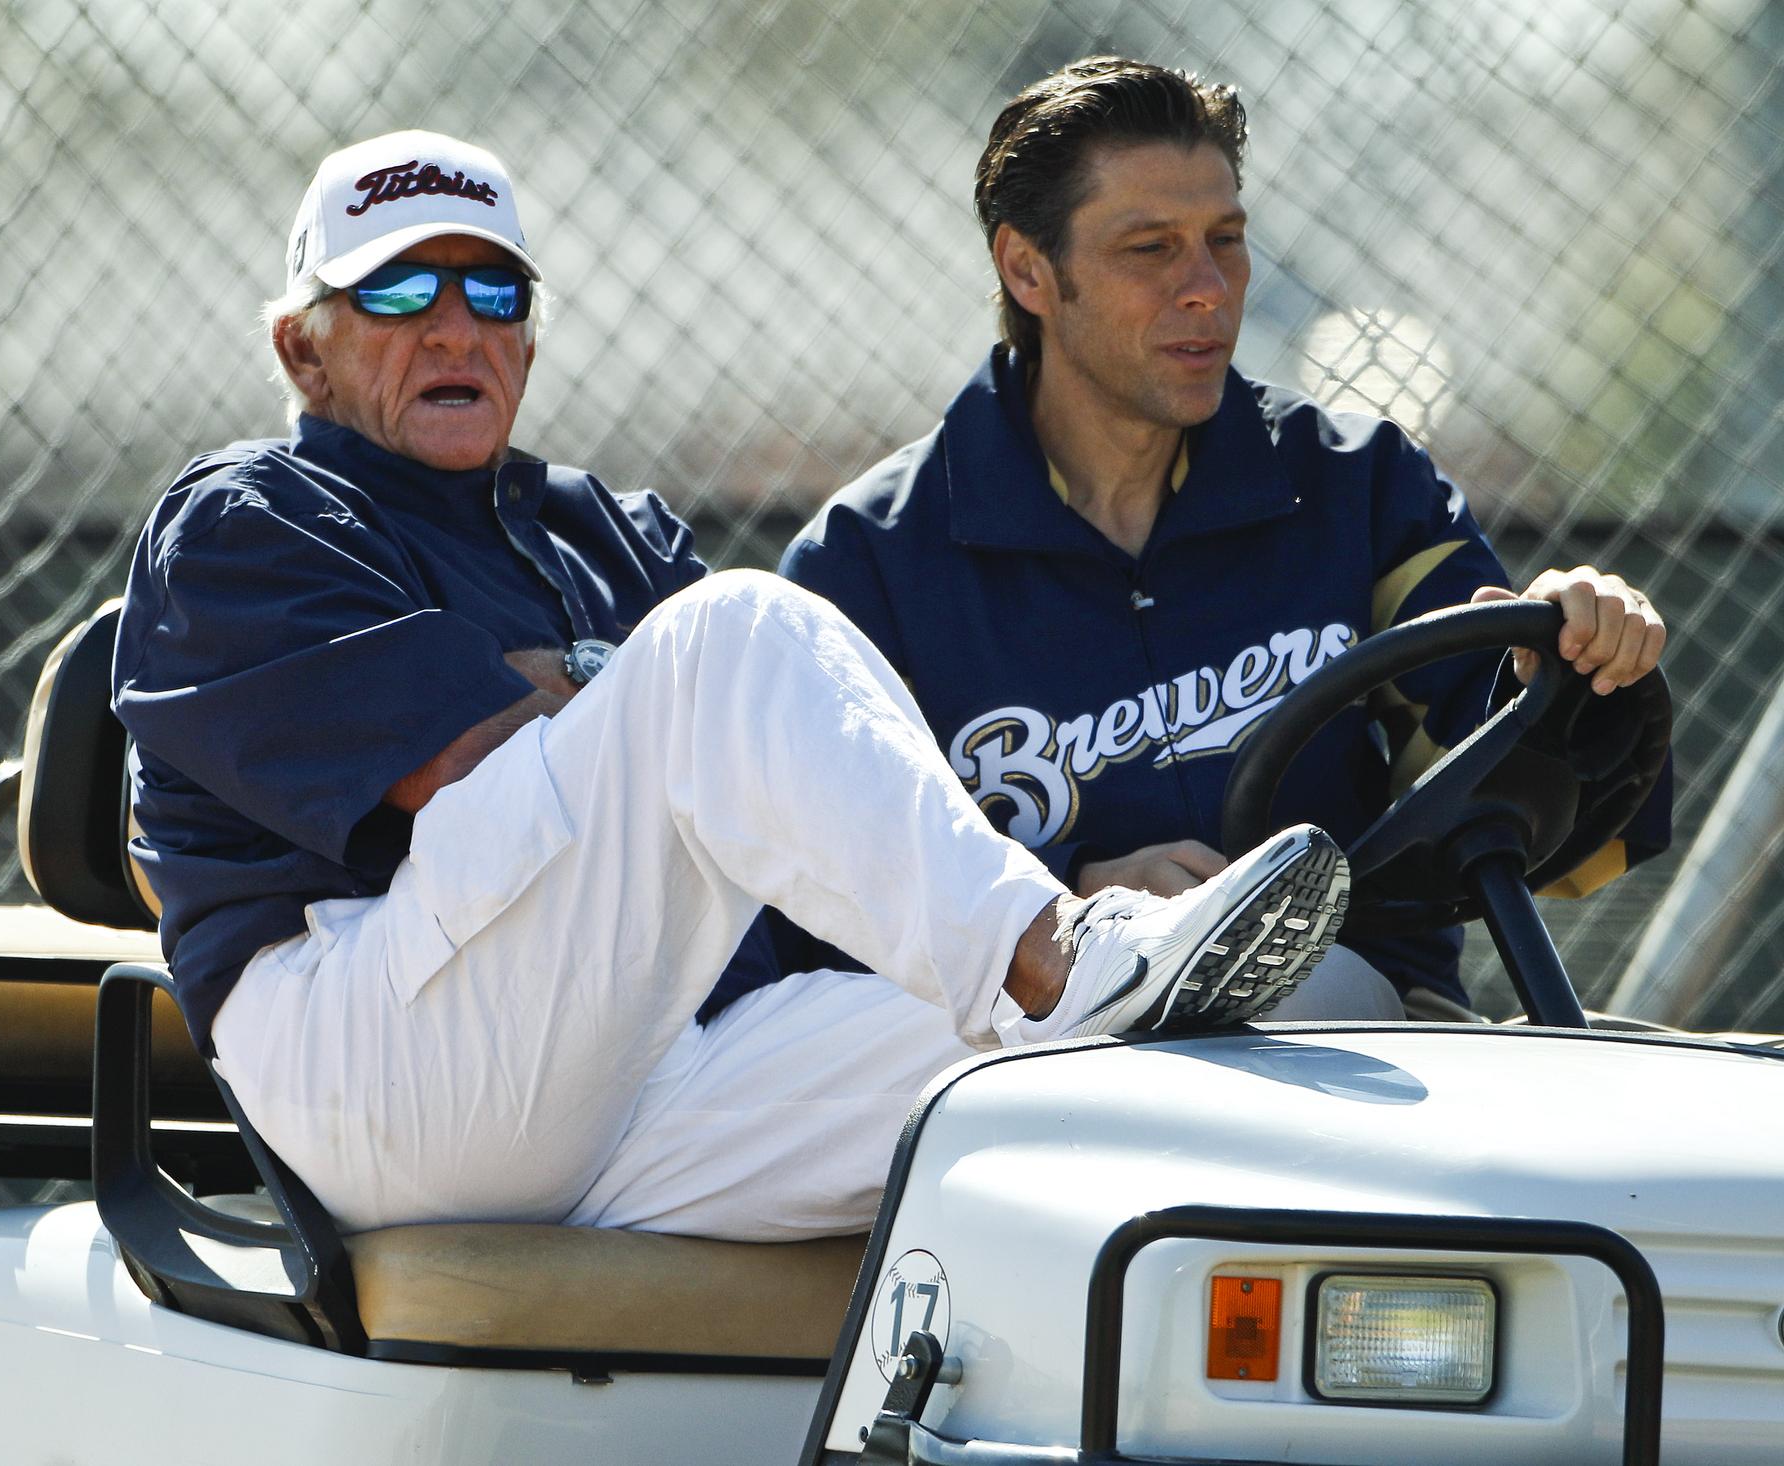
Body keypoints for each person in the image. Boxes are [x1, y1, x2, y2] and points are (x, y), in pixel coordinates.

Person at [110, 130, 1353, 1244]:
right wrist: (648, 693)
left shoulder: (610, 531)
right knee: (737, 630)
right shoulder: (249, 518)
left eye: (495, 290)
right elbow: (464, 762)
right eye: (395, 290)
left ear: (528, 337)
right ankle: (1057, 952)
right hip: (379, 1064)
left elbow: (776, 810)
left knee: (1112, 1070)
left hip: (648, 1061)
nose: (455, 327)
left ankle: (1079, 979)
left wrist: (601, 694)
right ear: (301, 346)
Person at [780, 59, 1671, 1020]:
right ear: (1028, 269)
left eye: (1226, 239)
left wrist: (1577, 661)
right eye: (1150, 249)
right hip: (1042, 1059)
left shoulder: (1355, 483)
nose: (1207, 288)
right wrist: (1068, 903)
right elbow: (809, 913)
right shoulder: (865, 566)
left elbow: (1523, 795)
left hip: (1363, 1034)